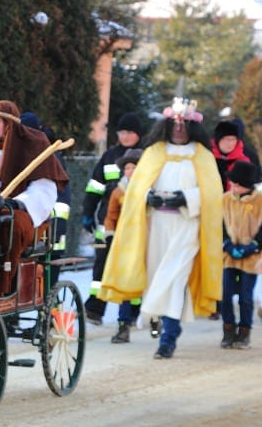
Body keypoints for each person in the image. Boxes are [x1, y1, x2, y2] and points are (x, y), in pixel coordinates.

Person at [99, 97, 223, 359]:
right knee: (158, 280)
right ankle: (161, 323)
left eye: (184, 124)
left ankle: (168, 338)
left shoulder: (203, 156)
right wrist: (147, 198)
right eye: (174, 124)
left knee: (175, 280)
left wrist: (187, 198)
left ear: (193, 127)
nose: (179, 129)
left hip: (187, 227)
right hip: (156, 227)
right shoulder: (154, 154)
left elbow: (212, 195)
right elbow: (135, 192)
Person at [0, 100, 69, 295]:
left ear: (9, 124)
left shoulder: (34, 145)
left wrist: (17, 202)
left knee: (13, 223)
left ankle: (4, 285)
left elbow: (45, 189)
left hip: (25, 215)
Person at [81, 112, 144, 325]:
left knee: (132, 267)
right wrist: (88, 213)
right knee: (101, 266)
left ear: (138, 134)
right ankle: (95, 309)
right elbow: (94, 187)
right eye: (121, 132)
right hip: (106, 222)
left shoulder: (146, 157)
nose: (124, 136)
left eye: (129, 133)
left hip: (135, 225)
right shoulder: (109, 156)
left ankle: (133, 311)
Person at [209, 118, 262, 320]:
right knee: (218, 265)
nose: (229, 144)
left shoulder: (248, 155)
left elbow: (259, 185)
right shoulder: (209, 157)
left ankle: (243, 325)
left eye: (233, 139)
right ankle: (215, 304)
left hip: (245, 215)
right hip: (217, 211)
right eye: (225, 140)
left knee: (244, 285)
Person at [220, 160, 262, 349]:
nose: (233, 188)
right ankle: (228, 329)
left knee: (245, 296)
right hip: (229, 255)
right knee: (225, 294)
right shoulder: (225, 199)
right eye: (232, 184)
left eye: (237, 185)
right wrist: (226, 243)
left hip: (252, 257)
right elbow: (220, 225)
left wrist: (252, 246)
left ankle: (244, 331)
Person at [20, 112, 71, 290]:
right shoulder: (21, 154)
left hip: (52, 226)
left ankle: (51, 311)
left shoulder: (52, 158)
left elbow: (62, 198)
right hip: (32, 225)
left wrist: (57, 227)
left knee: (50, 273)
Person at [103, 147, 144, 343]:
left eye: (134, 167)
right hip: (125, 245)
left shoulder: (148, 190)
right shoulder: (118, 191)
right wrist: (110, 235)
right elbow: (111, 216)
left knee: (149, 283)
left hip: (145, 242)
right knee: (126, 286)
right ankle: (123, 325)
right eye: (127, 168)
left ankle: (154, 318)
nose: (130, 171)